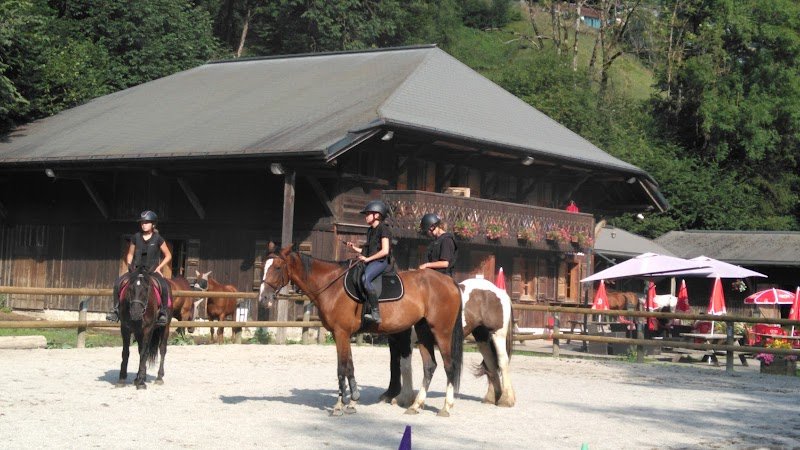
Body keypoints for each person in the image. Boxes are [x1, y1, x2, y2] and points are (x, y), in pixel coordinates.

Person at [106, 210, 173, 326]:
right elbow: (130, 254)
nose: (144, 224)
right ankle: (116, 309)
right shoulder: (135, 237)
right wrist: (129, 265)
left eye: (146, 222)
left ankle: (162, 312)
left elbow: (168, 255)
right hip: (136, 270)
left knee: (164, 286)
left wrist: (159, 268)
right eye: (142, 222)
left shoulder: (158, 238)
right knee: (118, 283)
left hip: (151, 271)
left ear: (153, 224)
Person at [346, 200, 391, 325]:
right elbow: (367, 251)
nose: (366, 216)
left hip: (381, 261)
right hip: (371, 260)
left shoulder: (384, 229)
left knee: (365, 279)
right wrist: (354, 248)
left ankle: (375, 312)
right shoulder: (370, 230)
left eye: (368, 214)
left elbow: (385, 251)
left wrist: (367, 259)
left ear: (377, 215)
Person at [418, 213, 457, 278]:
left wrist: (426, 265)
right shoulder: (436, 241)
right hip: (434, 276)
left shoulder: (446, 240)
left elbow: (445, 263)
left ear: (432, 227)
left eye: (427, 231)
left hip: (442, 277)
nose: (427, 233)